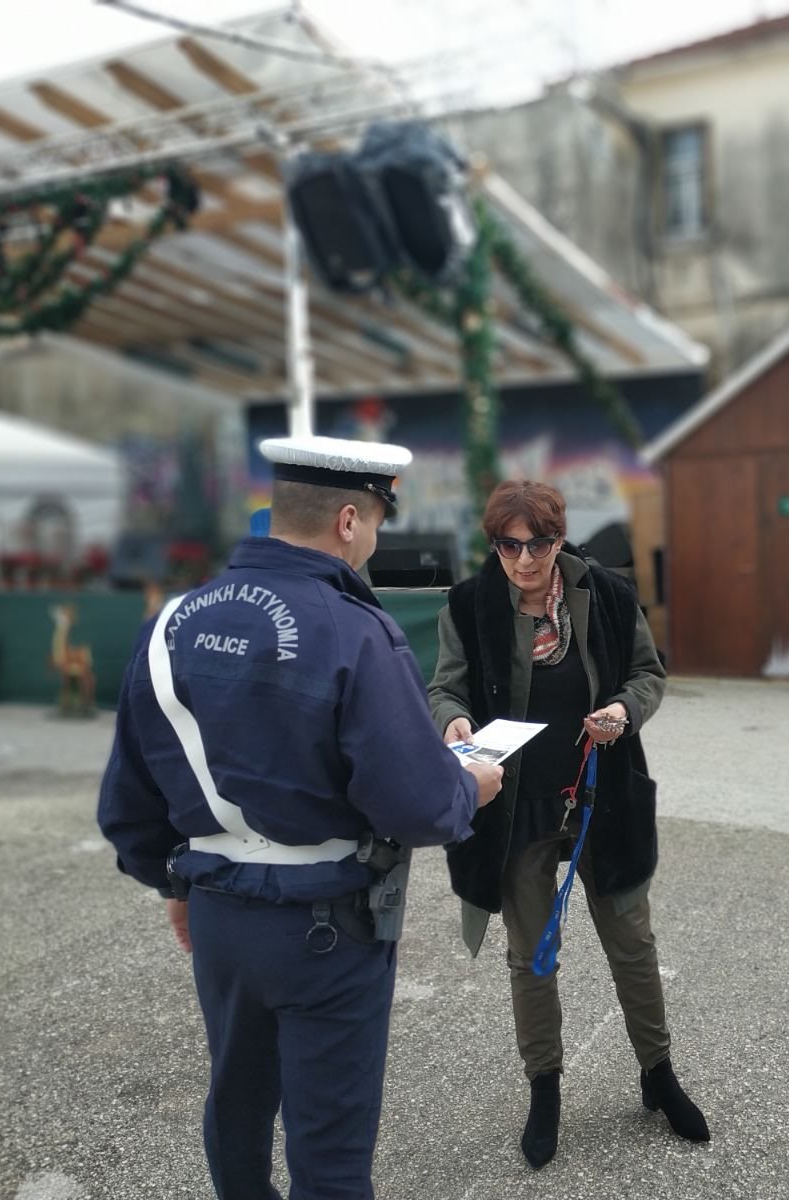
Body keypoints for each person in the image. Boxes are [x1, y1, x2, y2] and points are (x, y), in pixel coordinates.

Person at [97, 435, 503, 1200]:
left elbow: (128, 802)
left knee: (237, 1113)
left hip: (218, 919)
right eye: (376, 521)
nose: (373, 539)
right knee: (330, 1155)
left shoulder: (170, 622)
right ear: (349, 520)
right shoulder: (355, 628)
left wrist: (175, 885)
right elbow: (416, 804)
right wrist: (470, 788)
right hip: (327, 930)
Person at [428, 480, 709, 1170]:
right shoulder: (467, 604)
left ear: (559, 538)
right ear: (495, 544)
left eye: (539, 544)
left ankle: (658, 1073)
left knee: (632, 943)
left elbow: (648, 673)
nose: (524, 560)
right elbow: (445, 687)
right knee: (531, 955)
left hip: (601, 798)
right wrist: (453, 720)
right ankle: (545, 1089)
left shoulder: (607, 594)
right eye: (509, 546)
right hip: (515, 810)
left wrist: (623, 711)